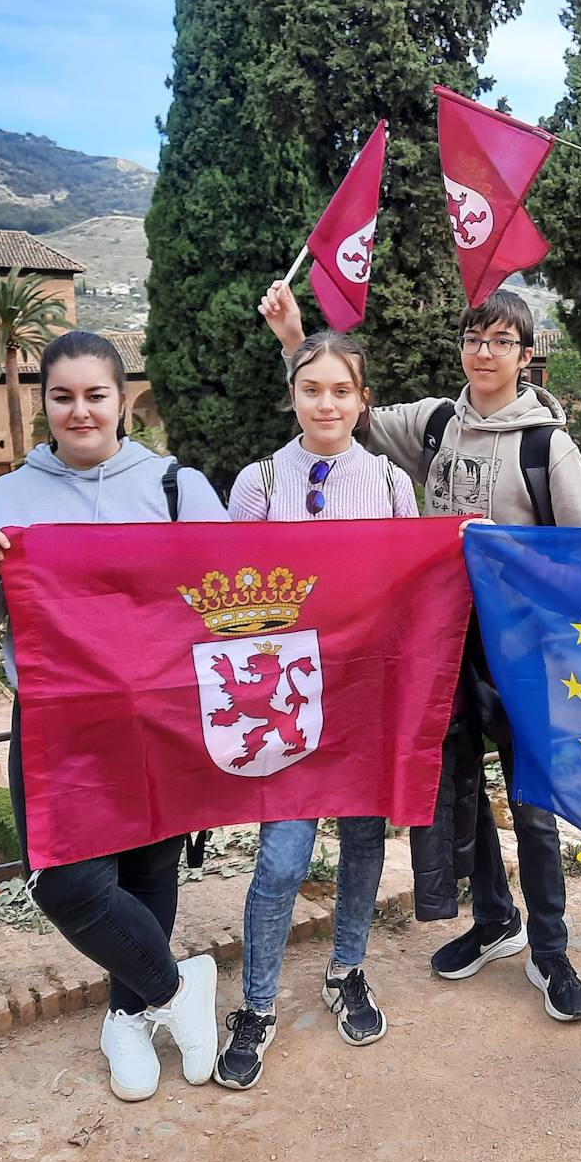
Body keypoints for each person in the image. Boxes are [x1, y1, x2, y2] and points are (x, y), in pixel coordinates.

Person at [259, 282, 581, 1023]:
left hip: (521, 648)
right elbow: (343, 407)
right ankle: (494, 919)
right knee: (458, 791)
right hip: (441, 641)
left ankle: (552, 950)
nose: (485, 352)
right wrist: (292, 338)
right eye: (474, 338)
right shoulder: (437, 422)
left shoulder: (548, 446)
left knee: (533, 802)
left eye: (502, 341)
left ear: (526, 355)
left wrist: (519, 568)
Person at [0, 329, 229, 1105]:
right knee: (63, 883)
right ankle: (179, 989)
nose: (81, 411)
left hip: (158, 715)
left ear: (120, 400)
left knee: (150, 872)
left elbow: (226, 583)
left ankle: (128, 1018)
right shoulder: (1, 503)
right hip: (57, 724)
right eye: (63, 397)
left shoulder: (176, 487)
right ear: (44, 403)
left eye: (96, 395)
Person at [213, 328, 419, 1091]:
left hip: (364, 696)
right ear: (292, 395)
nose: (326, 403)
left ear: (363, 400)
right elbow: (231, 593)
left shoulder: (392, 484)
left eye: (341, 390)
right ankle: (257, 1004)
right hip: (288, 697)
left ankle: (346, 969)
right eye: (312, 389)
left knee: (363, 842)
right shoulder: (260, 482)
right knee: (282, 860)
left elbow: (414, 589)